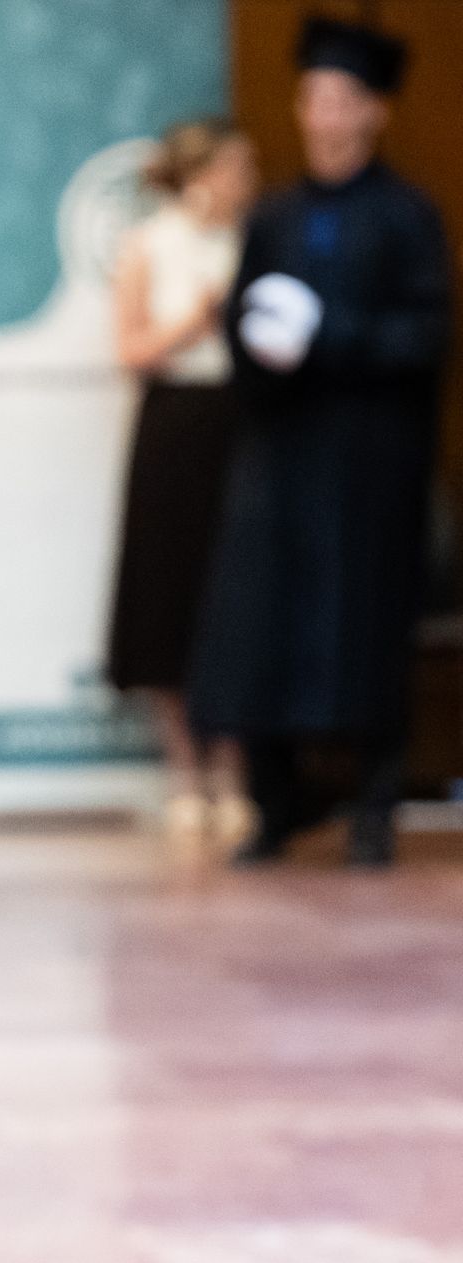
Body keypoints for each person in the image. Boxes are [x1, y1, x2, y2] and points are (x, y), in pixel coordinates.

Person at [190, 16, 452, 867]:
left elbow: (426, 337)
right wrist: (260, 343)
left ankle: (373, 803)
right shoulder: (275, 218)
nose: (326, 118)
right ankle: (275, 804)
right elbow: (242, 323)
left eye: (342, 101)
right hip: (279, 455)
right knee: (260, 623)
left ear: (373, 111)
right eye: (313, 100)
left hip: (369, 462)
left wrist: (332, 333)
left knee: (367, 625)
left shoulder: (406, 217)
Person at [104, 117, 258, 841]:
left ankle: (237, 771)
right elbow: (130, 350)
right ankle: (186, 772)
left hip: (242, 422)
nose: (245, 182)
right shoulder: (149, 244)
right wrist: (197, 319)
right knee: (169, 594)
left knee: (237, 597)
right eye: (234, 168)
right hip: (174, 425)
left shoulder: (255, 241)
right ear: (199, 175)